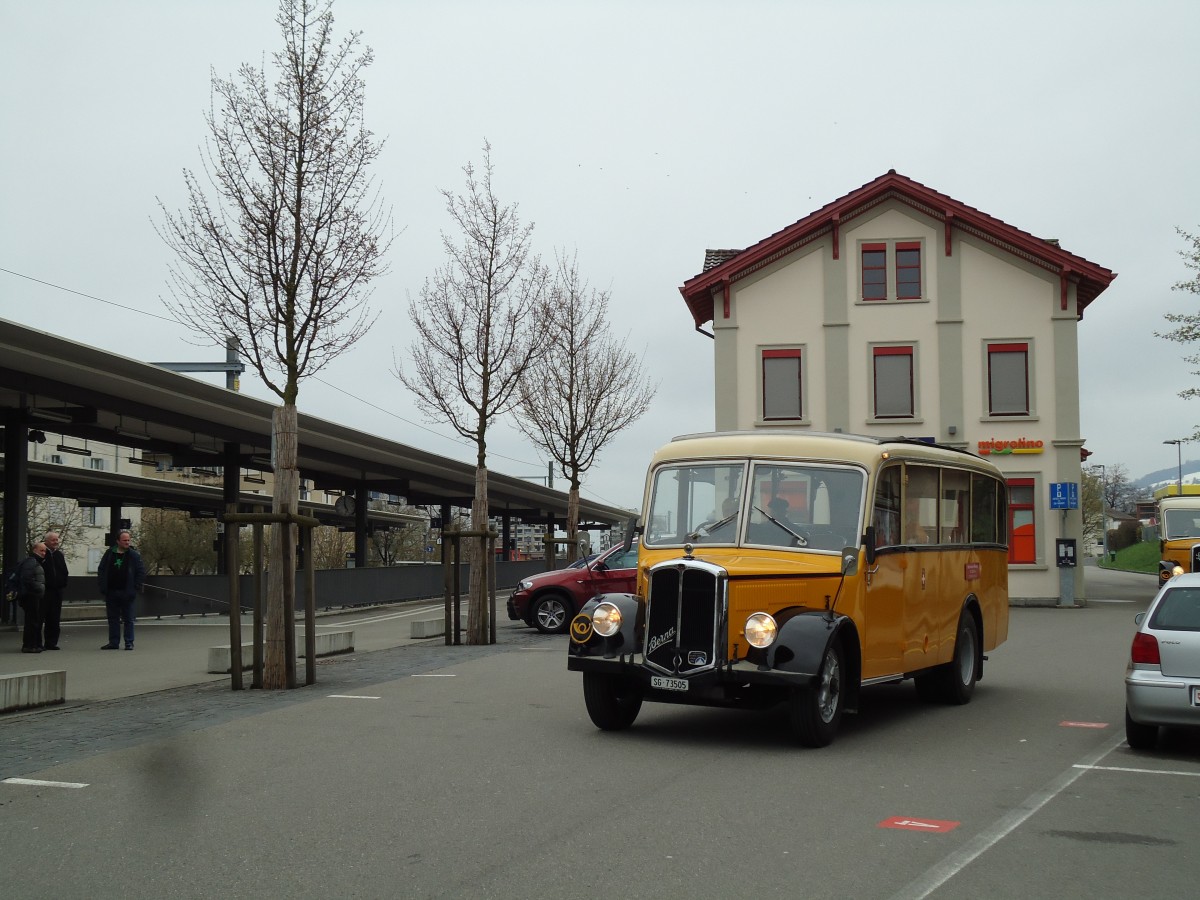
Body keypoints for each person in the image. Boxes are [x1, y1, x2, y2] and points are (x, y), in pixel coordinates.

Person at [96, 530, 145, 650]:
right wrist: (103, 585)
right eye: (124, 540)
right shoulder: (109, 554)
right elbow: (101, 570)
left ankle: (129, 642)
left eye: (128, 540)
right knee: (113, 619)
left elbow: (141, 572)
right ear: (118, 541)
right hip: (112, 591)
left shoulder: (134, 555)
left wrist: (136, 586)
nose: (127, 542)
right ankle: (113, 642)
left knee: (128, 618)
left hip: (127, 592)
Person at [40, 530, 69, 650]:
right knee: (41, 616)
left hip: (57, 591)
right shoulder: (42, 554)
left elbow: (64, 571)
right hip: (45, 591)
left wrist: (63, 583)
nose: (56, 542)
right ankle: (37, 642)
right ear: (46, 541)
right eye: (53, 540)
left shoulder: (59, 555)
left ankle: (51, 642)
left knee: (54, 618)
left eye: (57, 539)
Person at [17, 542, 48, 653]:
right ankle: (29, 645)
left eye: (45, 551)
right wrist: (38, 588)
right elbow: (27, 578)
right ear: (35, 550)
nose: (44, 553)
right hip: (31, 596)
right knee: (32, 621)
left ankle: (33, 644)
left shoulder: (34, 562)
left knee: (33, 620)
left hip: (33, 595)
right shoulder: (31, 562)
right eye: (41, 550)